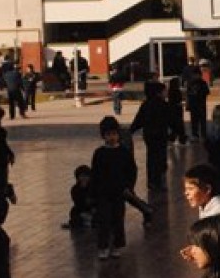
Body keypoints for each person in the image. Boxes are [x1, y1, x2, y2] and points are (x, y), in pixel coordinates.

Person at [90, 117, 138, 260]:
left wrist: (129, 187)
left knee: (118, 219)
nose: (111, 137)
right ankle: (103, 247)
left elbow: (132, 170)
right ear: (103, 136)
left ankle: (117, 245)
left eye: (114, 134)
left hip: (119, 192)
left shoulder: (124, 152)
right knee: (103, 220)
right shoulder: (99, 153)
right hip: (103, 192)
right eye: (108, 134)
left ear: (118, 134)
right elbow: (95, 173)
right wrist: (94, 193)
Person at [131, 80, 175, 192]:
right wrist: (178, 133)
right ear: (158, 92)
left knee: (151, 158)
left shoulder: (145, 104)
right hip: (161, 135)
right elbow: (173, 121)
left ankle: (151, 182)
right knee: (161, 158)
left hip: (149, 135)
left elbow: (139, 120)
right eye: (164, 91)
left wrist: (131, 130)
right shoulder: (164, 105)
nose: (166, 93)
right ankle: (160, 181)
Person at [62, 165, 95, 230]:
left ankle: (88, 221)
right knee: (74, 212)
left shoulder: (94, 188)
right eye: (82, 176)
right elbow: (78, 202)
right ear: (78, 177)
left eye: (86, 176)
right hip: (81, 210)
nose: (84, 178)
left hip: (93, 210)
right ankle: (85, 222)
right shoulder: (75, 189)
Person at [186, 70, 211, 140]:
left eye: (196, 75)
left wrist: (199, 94)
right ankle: (195, 135)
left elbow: (207, 92)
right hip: (194, 105)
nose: (195, 76)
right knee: (194, 121)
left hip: (201, 104)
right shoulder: (190, 83)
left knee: (202, 121)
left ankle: (203, 134)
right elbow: (188, 94)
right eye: (194, 75)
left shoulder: (203, 83)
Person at [167, 77, 188, 145]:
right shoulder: (176, 91)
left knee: (176, 125)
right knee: (179, 124)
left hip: (172, 109)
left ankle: (173, 138)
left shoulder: (170, 91)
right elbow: (177, 101)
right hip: (177, 109)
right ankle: (181, 138)